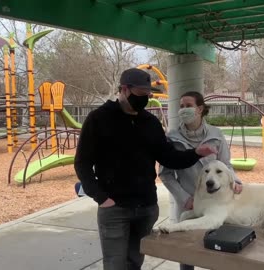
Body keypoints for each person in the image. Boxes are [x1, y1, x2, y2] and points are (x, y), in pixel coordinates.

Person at [74, 68, 217, 270]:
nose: (146, 99)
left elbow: (168, 157)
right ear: (125, 89)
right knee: (115, 265)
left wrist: (196, 153)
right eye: (141, 94)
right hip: (115, 209)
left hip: (146, 208)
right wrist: (101, 197)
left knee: (134, 262)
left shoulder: (150, 123)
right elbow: (82, 162)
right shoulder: (98, 119)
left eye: (148, 95)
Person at [158, 91, 243, 270]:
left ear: (200, 109)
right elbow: (165, 174)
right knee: (187, 251)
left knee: (217, 246)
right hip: (188, 201)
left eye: (188, 106)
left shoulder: (216, 134)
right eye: (181, 106)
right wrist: (184, 198)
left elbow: (226, 165)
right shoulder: (172, 138)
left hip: (216, 202)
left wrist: (236, 181)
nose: (183, 110)